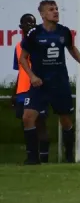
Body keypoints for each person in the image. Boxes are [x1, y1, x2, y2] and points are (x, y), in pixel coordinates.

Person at [19, 0, 80, 164]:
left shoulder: (64, 32)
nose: (56, 11)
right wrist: (32, 76)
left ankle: (69, 157)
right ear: (43, 15)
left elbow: (71, 48)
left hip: (59, 83)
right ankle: (32, 158)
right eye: (51, 9)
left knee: (65, 119)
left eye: (57, 9)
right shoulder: (34, 34)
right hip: (39, 84)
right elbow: (23, 58)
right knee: (27, 117)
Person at [12, 14, 49, 163]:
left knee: (40, 122)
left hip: (38, 89)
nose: (31, 26)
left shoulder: (42, 43)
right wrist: (15, 92)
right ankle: (31, 157)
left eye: (33, 24)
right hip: (22, 91)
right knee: (26, 122)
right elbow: (20, 70)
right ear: (21, 27)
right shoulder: (18, 46)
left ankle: (44, 158)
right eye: (27, 24)